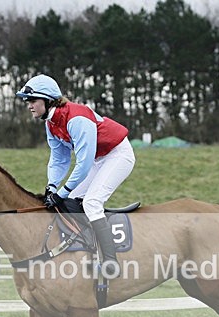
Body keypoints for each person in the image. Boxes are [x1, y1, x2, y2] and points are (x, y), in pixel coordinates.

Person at [16, 74, 135, 278]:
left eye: (33, 101)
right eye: (28, 101)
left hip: (118, 155)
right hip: (99, 159)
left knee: (91, 203)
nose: (29, 106)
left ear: (47, 99)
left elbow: (84, 163)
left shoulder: (77, 119)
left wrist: (62, 191)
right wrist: (52, 187)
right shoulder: (50, 123)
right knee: (69, 202)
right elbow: (59, 159)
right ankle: (85, 248)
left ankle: (110, 264)